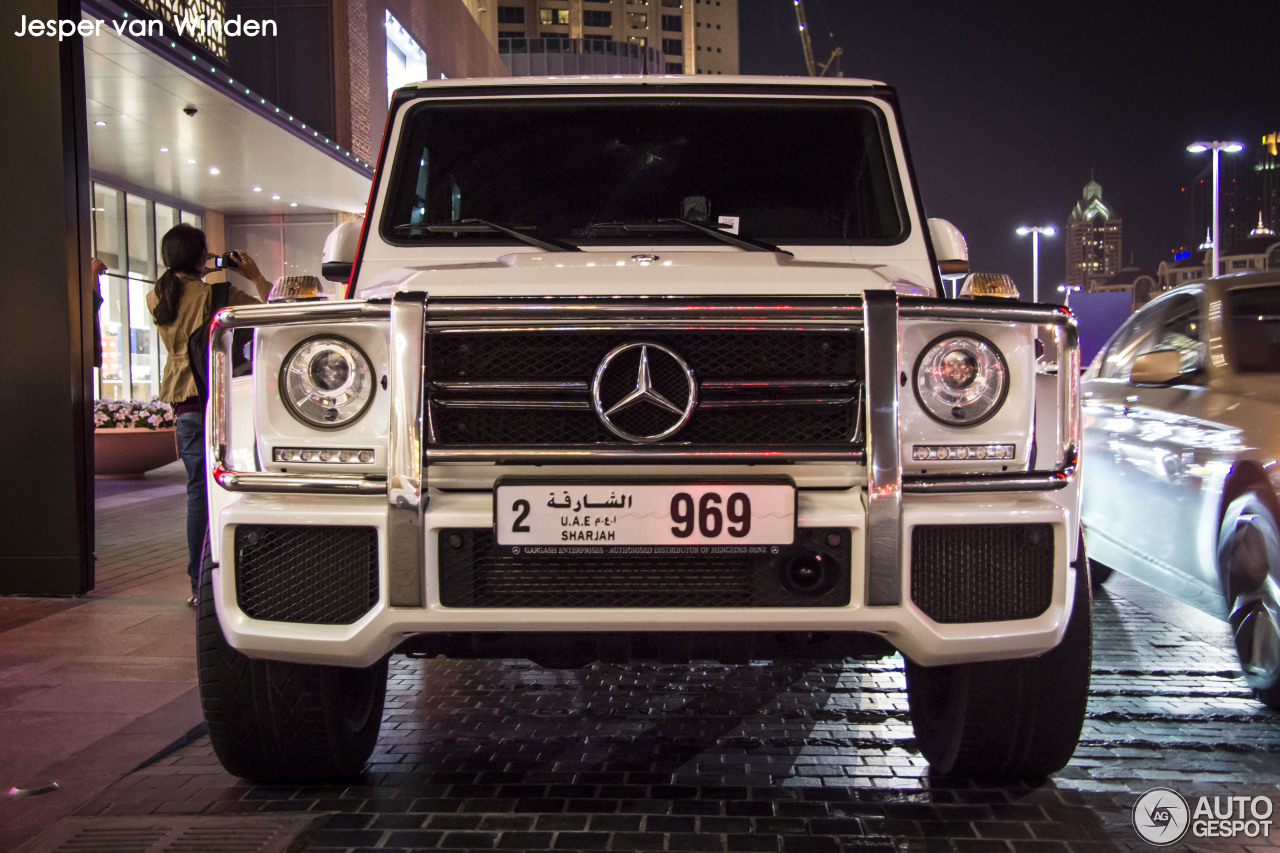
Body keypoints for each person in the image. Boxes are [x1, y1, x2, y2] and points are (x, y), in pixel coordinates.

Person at [147, 224, 272, 606]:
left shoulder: (156, 295)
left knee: (197, 494)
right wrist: (253, 275)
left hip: (185, 405)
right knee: (237, 492)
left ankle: (197, 586)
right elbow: (275, 309)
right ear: (202, 257)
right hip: (221, 404)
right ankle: (237, 578)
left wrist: (202, 270)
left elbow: (182, 297)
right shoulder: (219, 293)